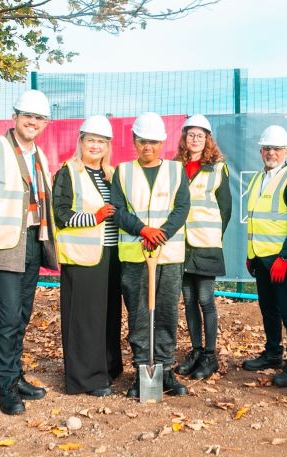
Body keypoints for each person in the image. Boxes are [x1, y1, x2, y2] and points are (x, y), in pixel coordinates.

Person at [0, 89, 58, 415]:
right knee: (8, 317)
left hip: (33, 241)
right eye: (27, 116)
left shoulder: (40, 156)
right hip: (4, 244)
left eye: (38, 118)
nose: (32, 122)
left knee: (21, 316)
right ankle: (6, 389)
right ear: (15, 117)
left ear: (45, 123)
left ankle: (16, 376)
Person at [110, 112, 190, 398]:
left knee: (166, 312)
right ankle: (142, 370)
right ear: (134, 141)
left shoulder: (176, 171)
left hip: (168, 255)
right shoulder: (122, 171)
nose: (148, 147)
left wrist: (162, 233)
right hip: (134, 254)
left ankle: (166, 369)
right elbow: (117, 211)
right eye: (143, 141)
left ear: (163, 143)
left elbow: (181, 209)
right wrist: (143, 230)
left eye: (154, 142)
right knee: (139, 315)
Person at [52, 115, 124, 397]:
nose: (95, 146)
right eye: (90, 140)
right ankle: (86, 379)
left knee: (108, 315)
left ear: (108, 146)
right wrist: (92, 218)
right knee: (85, 319)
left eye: (101, 142)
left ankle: (107, 367)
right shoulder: (68, 172)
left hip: (111, 254)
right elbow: (60, 213)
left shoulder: (113, 174)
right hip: (82, 256)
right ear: (81, 142)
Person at [243, 125, 287, 388]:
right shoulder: (258, 179)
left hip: (281, 259)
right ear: (261, 150)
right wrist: (251, 255)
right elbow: (255, 220)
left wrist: (284, 257)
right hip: (260, 257)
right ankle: (272, 353)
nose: (271, 152)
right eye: (267, 148)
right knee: (268, 308)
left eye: (277, 148)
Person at [173, 115, 232, 380]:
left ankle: (210, 356)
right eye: (190, 135)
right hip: (180, 245)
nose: (195, 139)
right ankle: (196, 351)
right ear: (184, 138)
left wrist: (212, 235)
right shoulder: (175, 167)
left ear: (208, 139)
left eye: (200, 135)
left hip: (206, 243)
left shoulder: (217, 168)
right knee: (188, 300)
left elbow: (226, 209)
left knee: (206, 300)